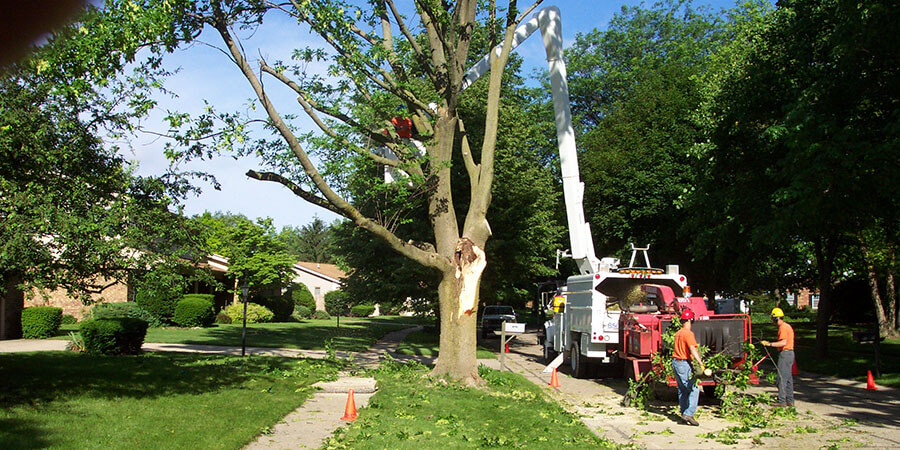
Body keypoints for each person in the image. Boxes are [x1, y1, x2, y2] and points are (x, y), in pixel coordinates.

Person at [672, 308, 705, 426]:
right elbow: (692, 349)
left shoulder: (678, 333)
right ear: (690, 320)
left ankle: (683, 413)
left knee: (682, 389)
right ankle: (689, 413)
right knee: (694, 389)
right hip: (683, 363)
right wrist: (700, 362)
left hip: (675, 362)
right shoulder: (688, 334)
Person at [761, 307, 795, 407]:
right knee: (788, 379)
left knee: (782, 378)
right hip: (790, 353)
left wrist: (769, 344)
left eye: (772, 319)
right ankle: (790, 401)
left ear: (776, 318)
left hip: (785, 354)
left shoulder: (783, 328)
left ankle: (781, 402)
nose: (772, 321)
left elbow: (783, 342)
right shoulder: (787, 326)